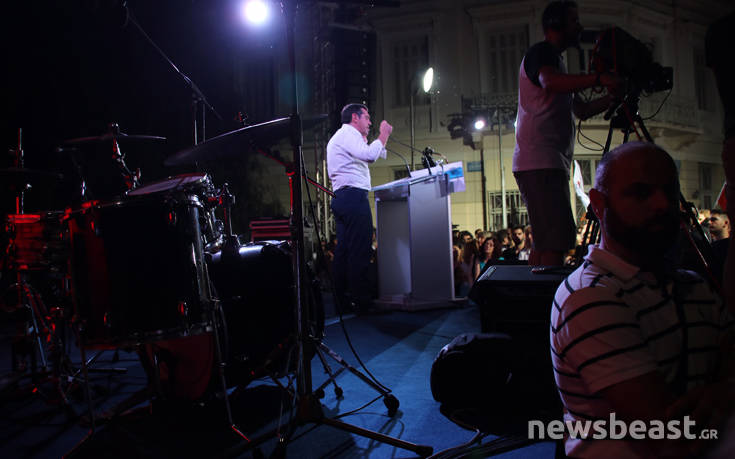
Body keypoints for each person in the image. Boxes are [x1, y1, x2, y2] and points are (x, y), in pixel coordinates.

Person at [551, 142, 735, 457]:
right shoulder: (588, 296)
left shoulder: (694, 286)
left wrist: (724, 391)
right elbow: (669, 438)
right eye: (641, 193)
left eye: (669, 192)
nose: (662, 204)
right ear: (598, 204)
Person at [513, 0, 621, 266]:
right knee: (556, 242)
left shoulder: (556, 63)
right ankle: (550, 293)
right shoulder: (542, 53)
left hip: (543, 162)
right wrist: (598, 78)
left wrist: (614, 97)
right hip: (541, 161)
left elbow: (582, 110)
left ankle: (538, 290)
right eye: (574, 21)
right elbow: (550, 82)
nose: (579, 27)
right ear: (556, 24)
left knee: (547, 242)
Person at [327, 103, 393, 313]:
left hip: (343, 197)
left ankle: (342, 301)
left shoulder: (343, 136)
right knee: (360, 249)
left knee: (345, 250)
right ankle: (362, 301)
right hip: (353, 197)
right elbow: (370, 156)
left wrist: (378, 141)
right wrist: (383, 134)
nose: (370, 122)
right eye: (367, 117)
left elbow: (374, 154)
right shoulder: (348, 134)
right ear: (355, 118)